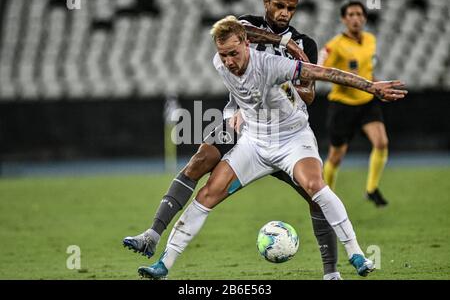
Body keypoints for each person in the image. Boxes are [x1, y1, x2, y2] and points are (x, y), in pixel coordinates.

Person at [136, 16, 406, 280]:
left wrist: (371, 87)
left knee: (315, 187)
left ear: (245, 43)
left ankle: (356, 254)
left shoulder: (271, 65)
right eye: (223, 54)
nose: (229, 61)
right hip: (254, 143)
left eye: (233, 53)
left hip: (292, 139)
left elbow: (324, 73)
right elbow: (240, 35)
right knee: (208, 193)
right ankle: (164, 264)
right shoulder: (219, 62)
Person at [124, 0, 343, 280]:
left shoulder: (306, 44)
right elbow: (240, 35)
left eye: (290, 8)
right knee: (199, 161)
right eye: (278, 5)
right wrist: (282, 44)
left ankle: (331, 273)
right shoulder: (246, 26)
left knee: (315, 195)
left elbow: (309, 94)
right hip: (241, 119)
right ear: (266, 2)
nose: (284, 13)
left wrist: (291, 78)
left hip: (284, 131)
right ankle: (152, 234)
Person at [319, 0, 390, 207]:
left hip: (367, 102)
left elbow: (368, 71)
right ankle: (326, 199)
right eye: (350, 15)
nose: (355, 18)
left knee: (381, 142)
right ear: (343, 19)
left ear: (365, 18)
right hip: (343, 105)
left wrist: (378, 87)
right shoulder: (334, 46)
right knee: (335, 157)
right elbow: (319, 71)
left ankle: (371, 189)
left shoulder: (370, 40)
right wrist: (346, 78)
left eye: (359, 14)